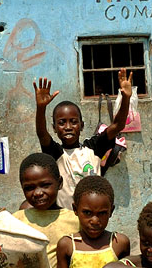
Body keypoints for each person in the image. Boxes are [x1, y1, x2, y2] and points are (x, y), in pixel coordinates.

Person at [33, 68, 133, 209]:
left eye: (73, 122)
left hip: (92, 216)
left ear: (82, 125)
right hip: (64, 218)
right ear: (54, 128)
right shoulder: (55, 153)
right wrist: (41, 108)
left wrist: (126, 98)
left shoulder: (94, 148)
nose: (68, 126)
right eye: (62, 123)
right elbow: (42, 134)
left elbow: (117, 125)